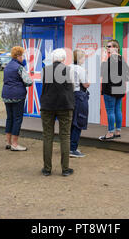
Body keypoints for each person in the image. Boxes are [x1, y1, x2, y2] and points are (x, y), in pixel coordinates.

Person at [40, 48, 74, 177]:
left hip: (48, 105)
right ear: (64, 58)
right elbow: (72, 86)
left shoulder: (45, 70)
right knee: (65, 136)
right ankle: (65, 169)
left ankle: (47, 169)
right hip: (65, 105)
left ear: (53, 58)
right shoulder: (69, 70)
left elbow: (44, 85)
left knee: (47, 136)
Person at [2, 46, 32, 151]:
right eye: (22, 55)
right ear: (18, 56)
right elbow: (28, 82)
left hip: (6, 95)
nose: (23, 57)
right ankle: (15, 144)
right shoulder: (19, 67)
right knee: (17, 119)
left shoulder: (7, 66)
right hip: (17, 95)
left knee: (9, 118)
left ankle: (8, 142)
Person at [99, 39, 129, 141]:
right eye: (107, 46)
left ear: (116, 48)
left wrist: (103, 60)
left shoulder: (110, 59)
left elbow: (103, 73)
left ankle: (110, 133)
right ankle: (117, 131)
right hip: (120, 89)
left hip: (110, 89)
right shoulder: (122, 60)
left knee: (110, 111)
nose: (107, 48)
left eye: (109, 46)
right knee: (117, 109)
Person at [68, 50, 90, 158]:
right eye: (83, 57)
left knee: (71, 122)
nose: (84, 59)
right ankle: (73, 149)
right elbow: (86, 84)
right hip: (79, 96)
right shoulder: (80, 69)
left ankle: (70, 146)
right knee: (79, 121)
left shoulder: (67, 67)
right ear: (80, 58)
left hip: (69, 96)